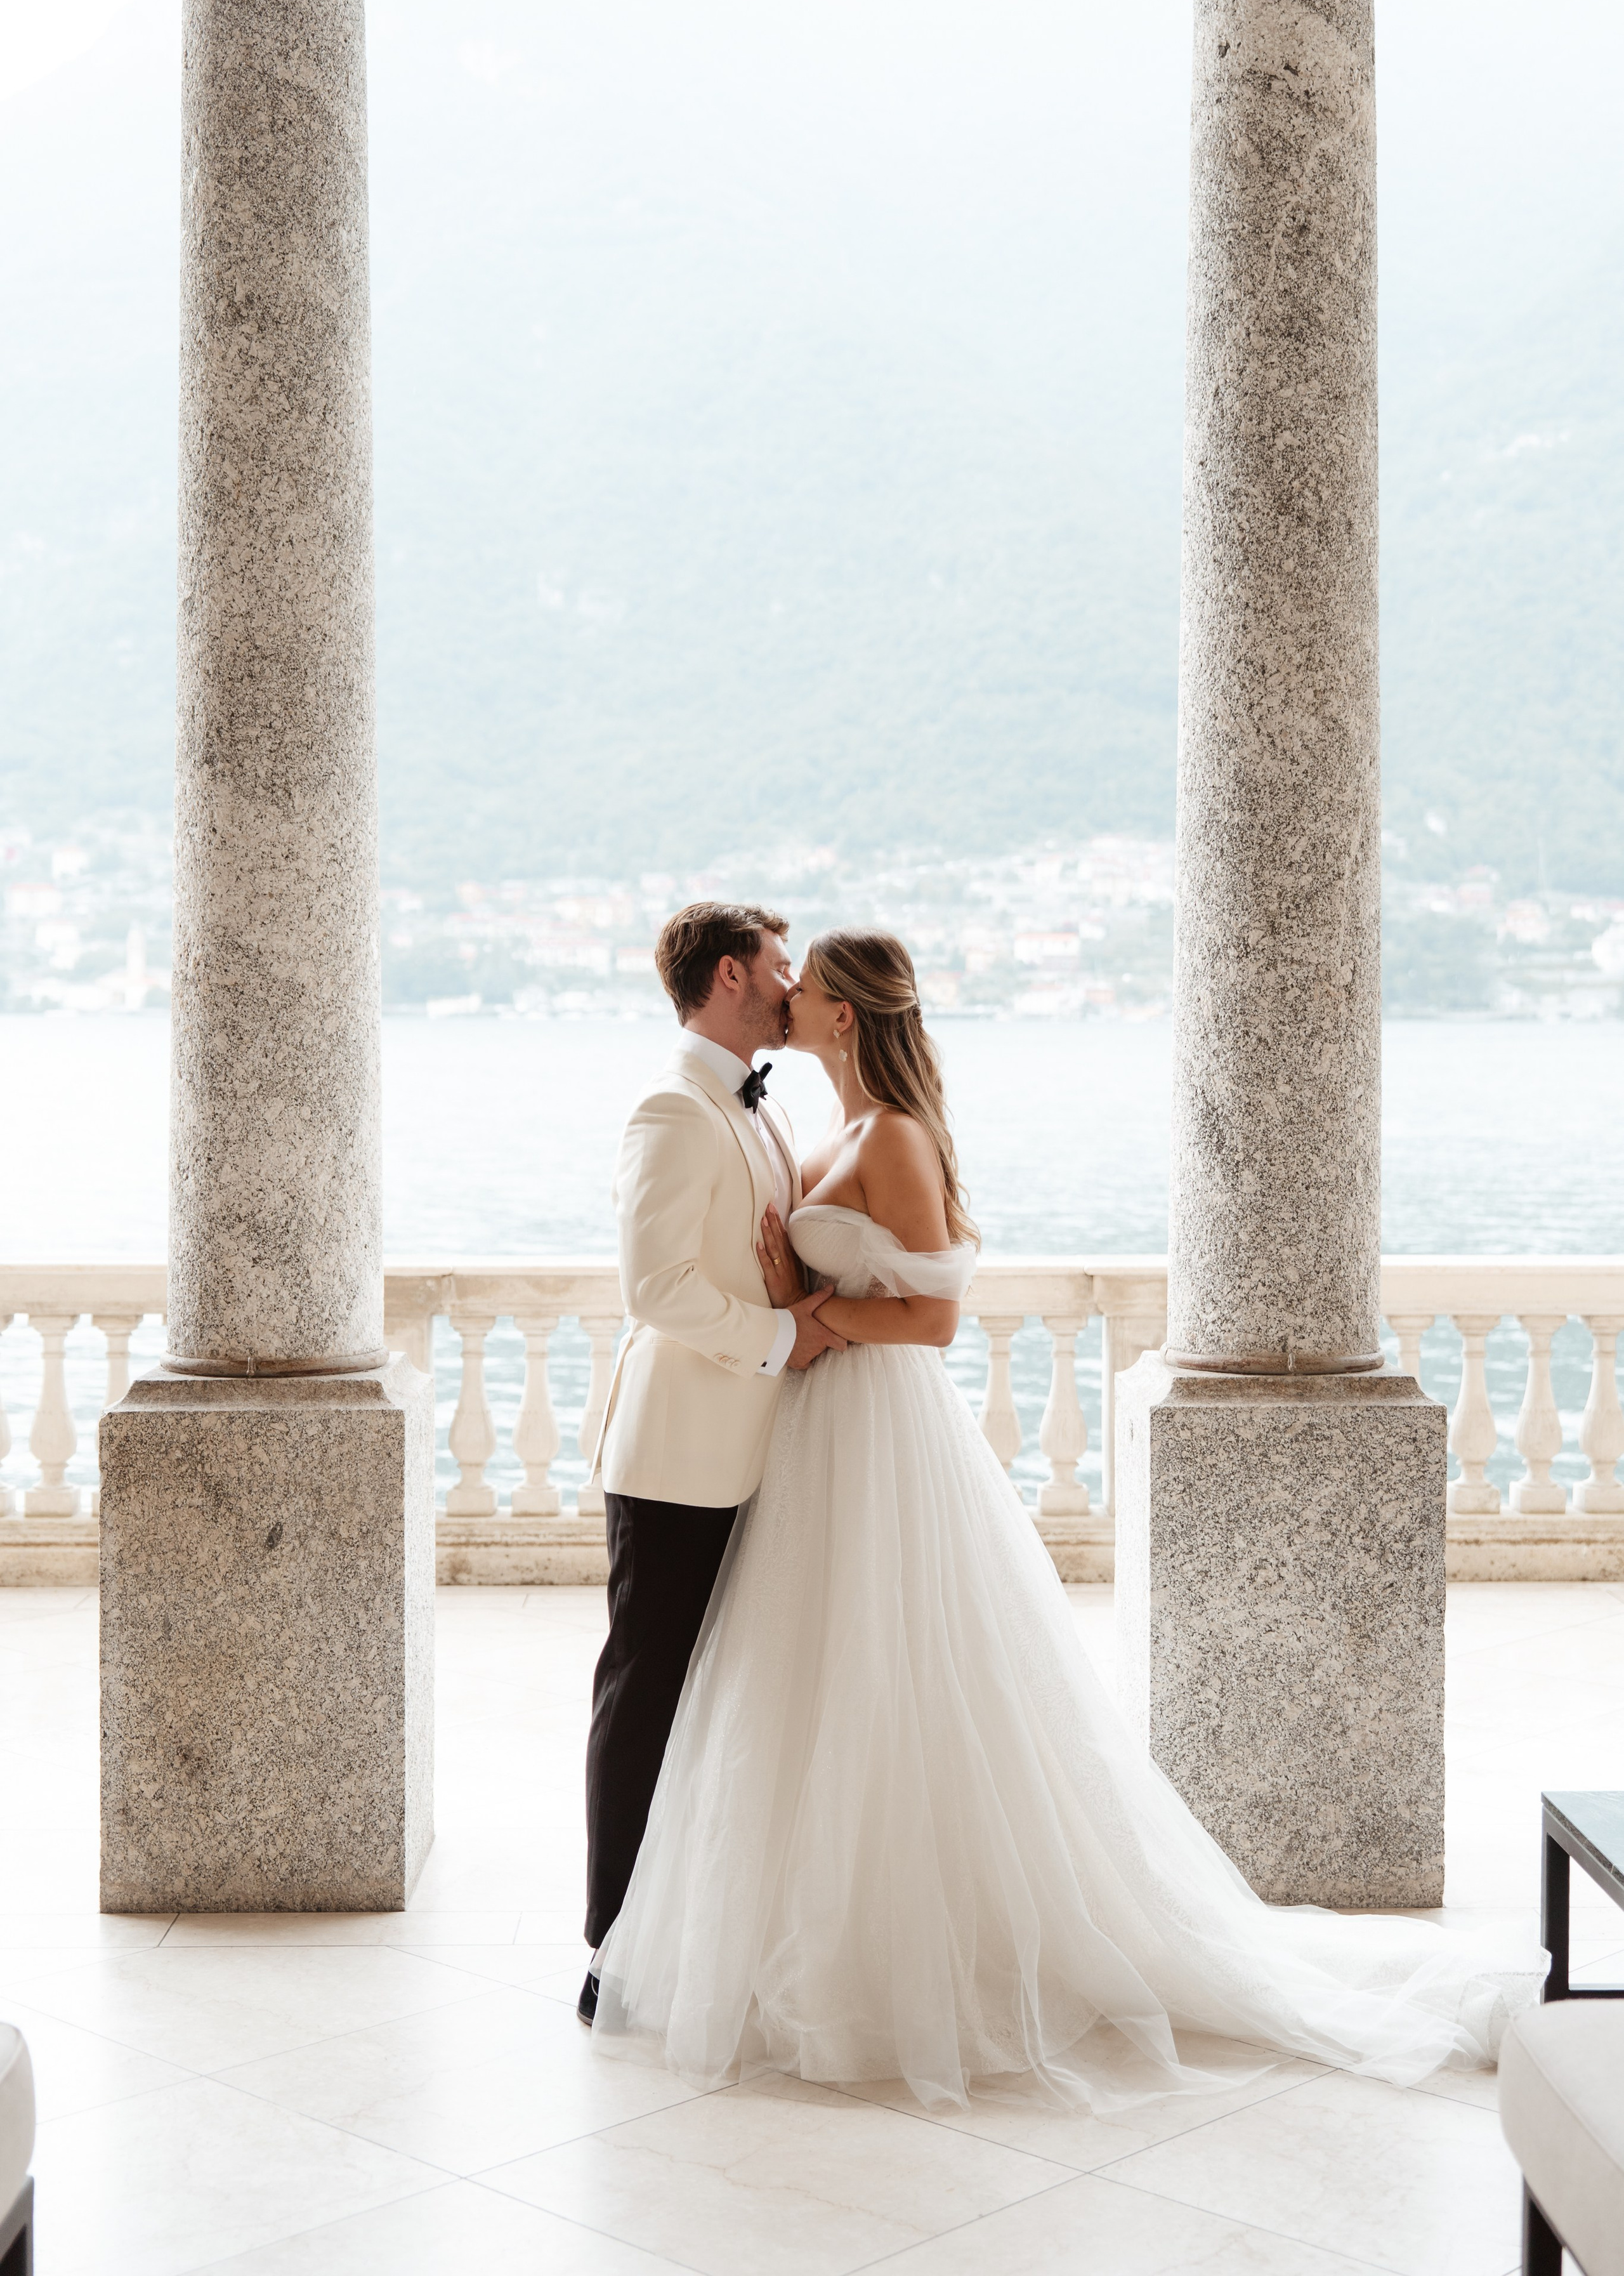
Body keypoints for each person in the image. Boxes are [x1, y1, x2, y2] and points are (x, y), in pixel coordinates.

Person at [591, 926, 1542, 2110]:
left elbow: (931, 1321)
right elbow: (734, 1277)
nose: (790, 993)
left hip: (867, 1418)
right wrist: (798, 1305)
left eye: (807, 980)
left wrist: (811, 1325)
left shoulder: (886, 1134)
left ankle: (869, 1949)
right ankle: (694, 1934)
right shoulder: (781, 1119)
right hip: (803, 1427)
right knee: (790, 1679)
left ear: (844, 1014)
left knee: (889, 1676)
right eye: (782, 970)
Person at [578, 902, 844, 2029]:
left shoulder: (758, 1105)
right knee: (647, 1691)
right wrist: (784, 1337)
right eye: (780, 967)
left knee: (722, 1695)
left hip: (754, 1446)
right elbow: (657, 1288)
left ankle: (697, 1929)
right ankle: (609, 1948)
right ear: (731, 976)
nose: (792, 985)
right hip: (678, 1453)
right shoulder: (673, 1108)